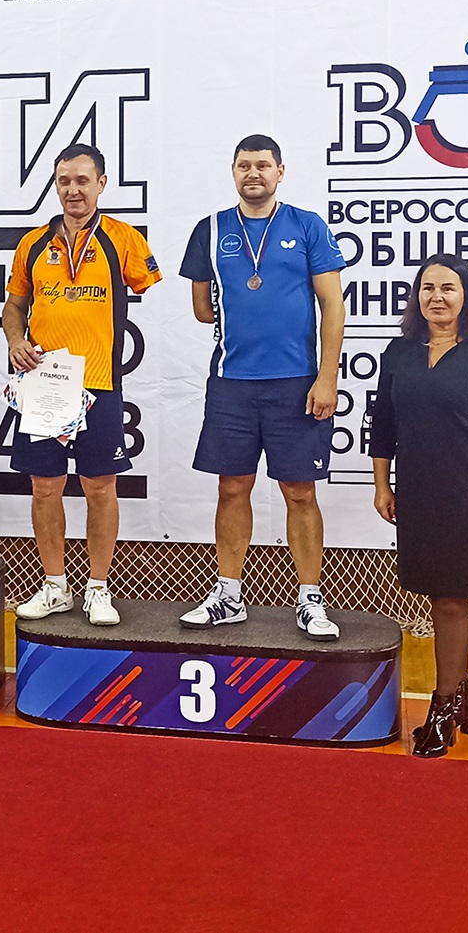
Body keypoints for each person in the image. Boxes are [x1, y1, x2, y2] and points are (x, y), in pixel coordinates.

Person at [177, 134, 346, 640]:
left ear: (280, 172)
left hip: (298, 383)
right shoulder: (210, 230)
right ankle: (228, 594)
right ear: (233, 171)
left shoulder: (307, 225)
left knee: (300, 491)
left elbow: (332, 306)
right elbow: (202, 308)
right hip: (232, 382)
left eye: (263, 165)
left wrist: (327, 377)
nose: (254, 173)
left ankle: (310, 598)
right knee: (232, 487)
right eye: (244, 165)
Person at [369, 255, 468, 757]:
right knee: (434, 594)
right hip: (416, 491)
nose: (436, 296)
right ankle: (466, 695)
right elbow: (383, 422)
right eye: (427, 287)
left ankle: (443, 710)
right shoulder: (399, 352)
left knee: (452, 599)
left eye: (448, 288)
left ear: (467, 296)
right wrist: (382, 484)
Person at [6, 144, 162, 626]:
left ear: (101, 184)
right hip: (44, 383)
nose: (72, 190)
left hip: (99, 384)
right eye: (64, 181)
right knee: (44, 488)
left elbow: (149, 285)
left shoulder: (124, 239)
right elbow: (14, 306)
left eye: (82, 180)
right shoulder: (33, 243)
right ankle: (55, 586)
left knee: (100, 487)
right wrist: (15, 339)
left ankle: (98, 587)